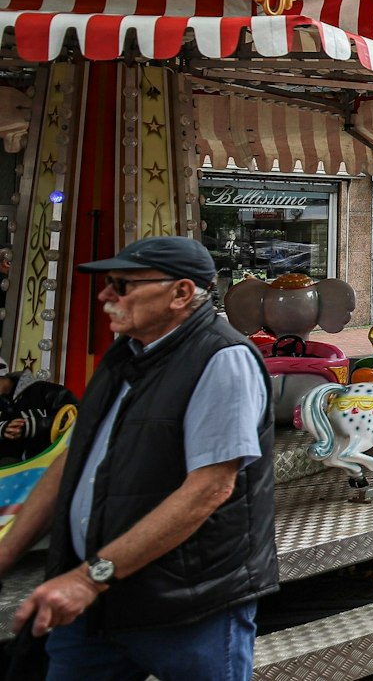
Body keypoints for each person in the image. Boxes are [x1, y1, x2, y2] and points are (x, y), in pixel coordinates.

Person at [0, 236, 275, 680]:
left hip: (186, 602)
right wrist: (7, 553)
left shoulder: (223, 358)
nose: (106, 296)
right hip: (96, 596)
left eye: (123, 285)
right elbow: (73, 459)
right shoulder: (125, 354)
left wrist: (89, 578)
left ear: (180, 293)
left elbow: (210, 488)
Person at [0, 370, 79, 464]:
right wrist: (2, 430)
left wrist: (36, 426)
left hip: (56, 461)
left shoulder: (43, 389)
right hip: (15, 468)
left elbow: (76, 416)